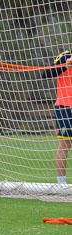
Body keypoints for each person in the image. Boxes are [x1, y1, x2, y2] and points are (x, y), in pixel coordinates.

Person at [43, 50, 72, 185]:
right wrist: (66, 65)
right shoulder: (64, 56)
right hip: (65, 107)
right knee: (64, 144)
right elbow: (46, 74)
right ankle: (61, 184)